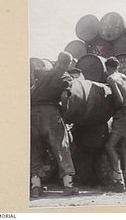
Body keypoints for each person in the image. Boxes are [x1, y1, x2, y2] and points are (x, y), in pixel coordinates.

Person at [30, 51, 79, 198]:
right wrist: (65, 111)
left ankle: (36, 187)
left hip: (33, 113)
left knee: (35, 149)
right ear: (69, 63)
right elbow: (64, 96)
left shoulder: (44, 74)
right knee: (61, 147)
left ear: (57, 60)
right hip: (50, 113)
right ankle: (68, 186)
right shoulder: (65, 76)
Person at [104, 57, 126, 191]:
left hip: (125, 115)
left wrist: (110, 111)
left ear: (107, 67)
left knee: (110, 146)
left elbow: (119, 100)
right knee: (122, 147)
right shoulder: (123, 76)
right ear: (118, 66)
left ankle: (119, 181)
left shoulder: (111, 79)